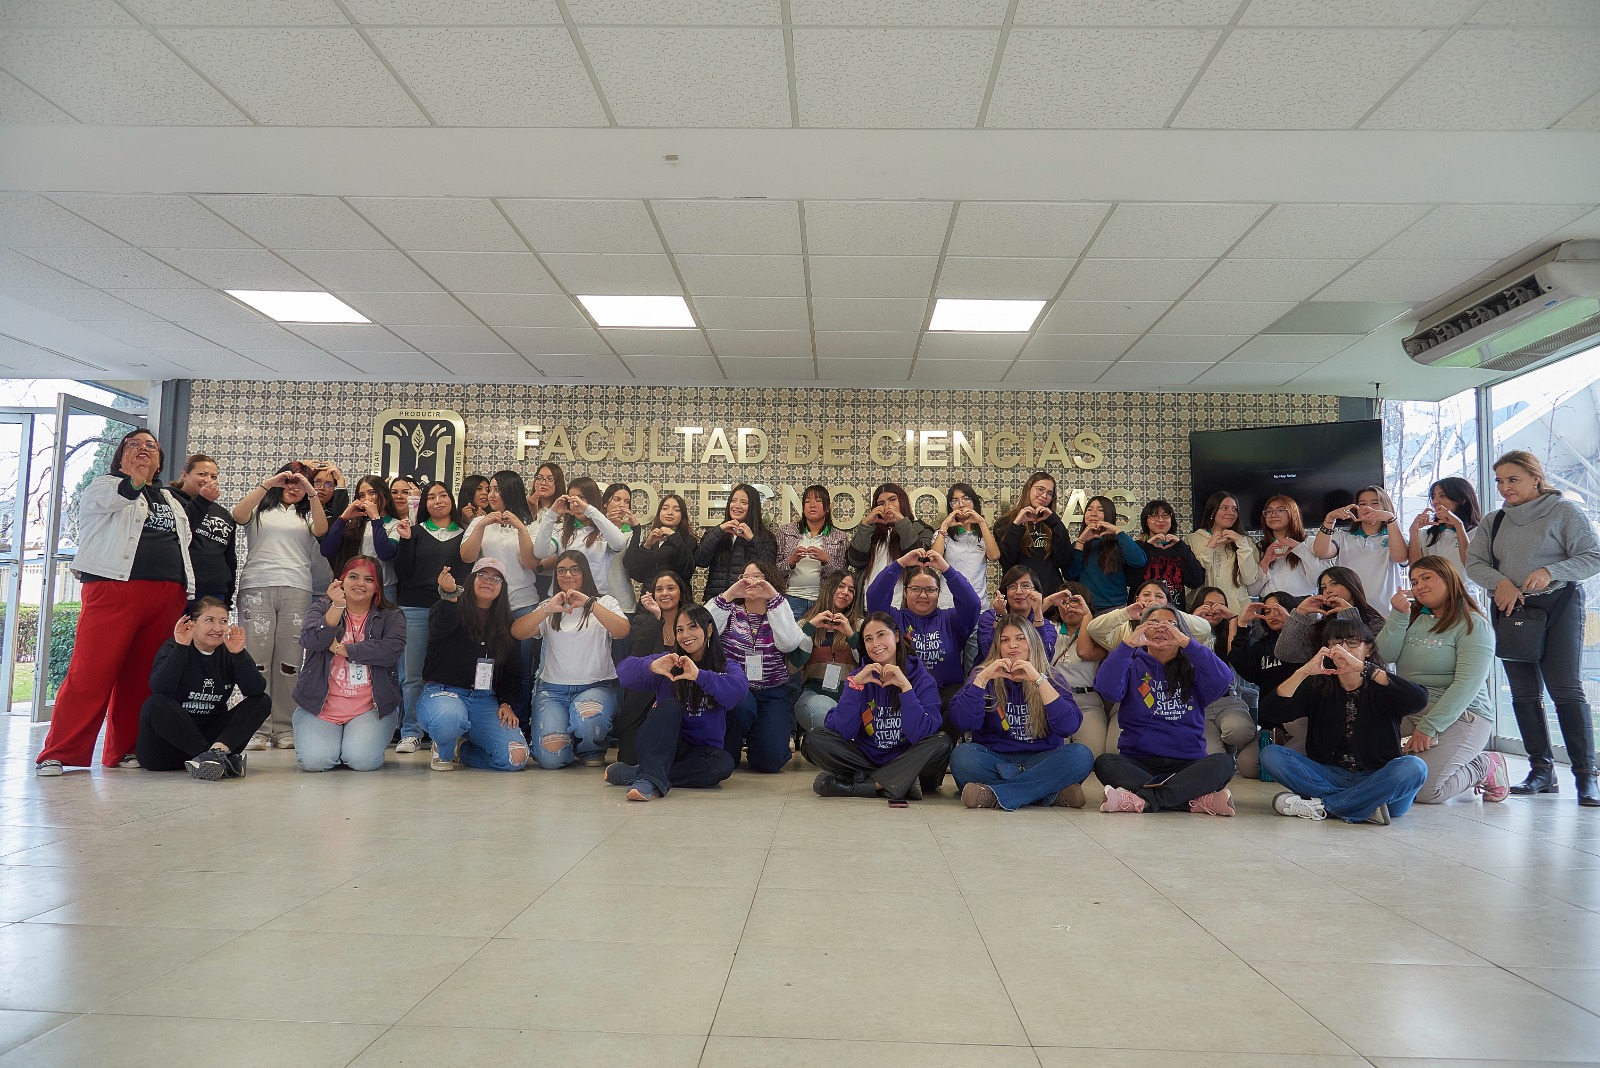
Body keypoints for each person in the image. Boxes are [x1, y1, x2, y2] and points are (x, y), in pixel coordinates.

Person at [35, 429, 195, 777]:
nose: (143, 449)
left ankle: (126, 749)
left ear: (160, 459)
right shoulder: (104, 486)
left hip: (167, 595)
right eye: (134, 444)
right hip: (114, 589)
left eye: (150, 446)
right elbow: (118, 498)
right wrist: (135, 481)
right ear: (121, 454)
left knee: (142, 677)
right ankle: (59, 752)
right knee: (90, 673)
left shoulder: (170, 499)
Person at [1467, 450, 1600, 804]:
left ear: (1536, 478)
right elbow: (1474, 564)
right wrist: (1501, 583)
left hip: (1559, 606)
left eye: (1513, 479)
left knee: (1566, 690)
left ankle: (1586, 776)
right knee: (1524, 693)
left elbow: (1593, 556)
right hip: (1511, 607)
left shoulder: (1564, 511)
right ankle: (1541, 771)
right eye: (1499, 481)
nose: (1504, 487)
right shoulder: (1494, 520)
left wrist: (1551, 571)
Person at [1259, 618, 1431, 824]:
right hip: (1331, 775)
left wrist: (1368, 669)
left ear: (1368, 649)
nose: (1344, 649)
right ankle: (1362, 806)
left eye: (1352, 642)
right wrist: (1302, 672)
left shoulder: (1381, 683)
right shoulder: (1319, 685)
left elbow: (1419, 699)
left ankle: (1326, 806)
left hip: (1379, 779)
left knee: (1415, 767)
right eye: (1336, 643)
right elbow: (1271, 712)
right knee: (1271, 755)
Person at [1377, 556, 1506, 804]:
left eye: (1426, 578)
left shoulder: (1474, 624)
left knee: (1424, 791)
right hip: (1410, 709)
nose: (1419, 586)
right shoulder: (1413, 617)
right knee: (1369, 765)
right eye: (1414, 582)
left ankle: (1486, 765)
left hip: (1462, 715)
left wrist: (1429, 727)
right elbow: (1385, 655)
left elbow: (1466, 685)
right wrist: (1398, 615)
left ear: (1449, 579)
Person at [1092, 606, 1237, 815]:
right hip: (1138, 761)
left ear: (1181, 632)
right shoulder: (1131, 664)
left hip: (1188, 762)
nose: (1162, 628)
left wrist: (1188, 644)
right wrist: (1127, 645)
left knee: (1224, 763)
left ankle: (1145, 800)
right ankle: (1189, 800)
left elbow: (1223, 679)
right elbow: (1107, 689)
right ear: (1142, 629)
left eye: (1170, 624)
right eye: (1153, 623)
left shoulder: (1194, 667)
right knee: (1105, 763)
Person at [802, 611, 950, 805]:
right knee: (813, 738)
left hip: (909, 760)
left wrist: (906, 689)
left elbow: (920, 735)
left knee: (942, 743)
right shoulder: (858, 677)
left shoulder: (922, 679)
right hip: (869, 760)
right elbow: (842, 732)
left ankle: (864, 786)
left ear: (896, 636)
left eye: (882, 635)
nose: (876, 644)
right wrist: (854, 688)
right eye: (868, 639)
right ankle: (892, 784)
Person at [231, 460, 327, 752]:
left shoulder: (307, 514)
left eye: (300, 483)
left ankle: (285, 727)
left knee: (289, 663)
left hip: (297, 588)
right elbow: (237, 514)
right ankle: (257, 729)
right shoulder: (260, 510)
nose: (293, 488)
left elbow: (322, 529)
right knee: (257, 661)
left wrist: (311, 490)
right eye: (290, 482)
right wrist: (270, 483)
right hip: (256, 587)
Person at [949, 615, 1093, 810]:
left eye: (1020, 638)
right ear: (998, 647)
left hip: (1042, 758)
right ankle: (1050, 793)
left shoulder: (1052, 677)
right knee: (963, 757)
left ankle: (994, 794)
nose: (1012, 645)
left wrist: (1039, 680)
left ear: (1032, 643)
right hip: (995, 757)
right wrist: (982, 679)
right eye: (1005, 640)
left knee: (1081, 756)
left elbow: (1068, 727)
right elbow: (963, 722)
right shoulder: (983, 675)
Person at [609, 604, 748, 801]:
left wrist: (699, 676)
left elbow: (739, 691)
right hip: (661, 745)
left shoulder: (724, 666)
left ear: (708, 629)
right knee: (669, 705)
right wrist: (650, 666)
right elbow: (623, 673)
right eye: (680, 630)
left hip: (699, 752)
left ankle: (644, 772)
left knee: (723, 764)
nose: (685, 635)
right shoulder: (669, 662)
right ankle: (648, 778)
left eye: (692, 627)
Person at [291, 556, 405, 773]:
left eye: (369, 579)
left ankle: (351, 742)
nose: (360, 584)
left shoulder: (391, 616)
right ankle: (333, 741)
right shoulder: (321, 607)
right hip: (321, 708)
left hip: (370, 708)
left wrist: (345, 650)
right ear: (341, 580)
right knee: (316, 762)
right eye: (353, 577)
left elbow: (391, 650)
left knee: (361, 761)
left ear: (377, 587)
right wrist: (337, 606)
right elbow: (310, 641)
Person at [518, 550, 630, 769]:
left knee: (588, 720)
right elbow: (518, 632)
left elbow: (622, 630)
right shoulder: (550, 605)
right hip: (552, 692)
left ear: (584, 572)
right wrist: (547, 609)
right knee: (551, 759)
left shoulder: (605, 602)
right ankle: (566, 741)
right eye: (561, 570)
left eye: (574, 569)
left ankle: (590, 748)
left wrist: (589, 603)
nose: (567, 575)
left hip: (596, 687)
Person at [135, 598, 267, 780]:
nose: (217, 628)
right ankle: (212, 758)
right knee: (154, 703)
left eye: (223, 621)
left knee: (263, 701)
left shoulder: (229, 651)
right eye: (209, 620)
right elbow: (160, 688)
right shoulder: (174, 646)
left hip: (213, 738)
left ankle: (214, 754)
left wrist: (239, 654)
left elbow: (255, 690)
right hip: (167, 749)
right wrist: (181, 648)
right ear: (192, 624)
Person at [415, 558, 528, 772]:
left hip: (484, 700)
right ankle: (444, 748)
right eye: (482, 575)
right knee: (449, 720)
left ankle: (463, 750)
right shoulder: (450, 607)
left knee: (516, 757)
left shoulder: (507, 623)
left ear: (502, 587)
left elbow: (513, 672)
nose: (488, 581)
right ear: (471, 579)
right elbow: (439, 627)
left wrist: (506, 702)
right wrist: (449, 596)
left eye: (496, 578)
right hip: (444, 693)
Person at [392, 480, 468, 753]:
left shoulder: (466, 535)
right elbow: (402, 571)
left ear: (451, 500)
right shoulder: (414, 532)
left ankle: (442, 732)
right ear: (424, 504)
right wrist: (404, 540)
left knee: (449, 672)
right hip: (415, 609)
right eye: (432, 497)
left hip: (452, 610)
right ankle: (411, 732)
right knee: (412, 675)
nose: (438, 501)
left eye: (443, 495)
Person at [710, 561, 806, 772]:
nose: (750, 581)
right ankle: (731, 747)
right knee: (742, 707)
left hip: (772, 692)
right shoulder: (729, 611)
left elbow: (790, 643)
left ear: (769, 581)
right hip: (736, 690)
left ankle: (758, 740)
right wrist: (729, 594)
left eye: (757, 576)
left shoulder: (779, 611)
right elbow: (703, 628)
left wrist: (773, 597)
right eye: (745, 576)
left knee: (771, 761)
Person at [460, 470, 540, 720]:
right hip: (489, 606)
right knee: (485, 662)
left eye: (496, 489)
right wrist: (482, 524)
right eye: (489, 489)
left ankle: (521, 721)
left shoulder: (531, 525)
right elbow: (467, 556)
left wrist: (520, 528)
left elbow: (531, 562)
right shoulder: (480, 522)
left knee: (522, 668)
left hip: (523, 604)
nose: (490, 495)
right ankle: (485, 717)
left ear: (511, 491)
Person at [614, 569, 690, 763]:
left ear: (681, 593)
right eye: (659, 589)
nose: (664, 593)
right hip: (642, 697)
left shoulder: (691, 623)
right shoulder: (642, 621)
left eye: (670, 588)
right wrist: (656, 618)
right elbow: (636, 657)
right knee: (629, 759)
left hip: (678, 696)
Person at [532, 477, 632, 607]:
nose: (576, 504)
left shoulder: (604, 530)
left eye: (581, 498)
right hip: (562, 600)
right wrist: (551, 515)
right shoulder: (561, 530)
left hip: (594, 601)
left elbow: (619, 544)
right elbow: (540, 552)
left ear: (593, 499)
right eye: (571, 499)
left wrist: (590, 510)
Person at [1311, 485, 1409, 607]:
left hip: (1385, 611)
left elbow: (1401, 558)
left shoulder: (1395, 537)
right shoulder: (1343, 537)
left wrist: (1391, 519)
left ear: (1386, 506)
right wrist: (1330, 519)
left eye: (1375, 503)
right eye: (1362, 504)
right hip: (1346, 609)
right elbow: (1320, 552)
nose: (1368, 507)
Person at [790, 572, 862, 732]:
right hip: (813, 697)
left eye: (851, 590)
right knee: (823, 711)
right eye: (840, 586)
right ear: (828, 588)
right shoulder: (805, 624)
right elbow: (792, 667)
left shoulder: (860, 626)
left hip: (851, 698)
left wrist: (851, 635)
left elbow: (868, 662)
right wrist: (810, 629)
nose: (845, 592)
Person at [1273, 566, 1387, 664]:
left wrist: (1349, 614)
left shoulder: (1375, 622)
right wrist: (1299, 613)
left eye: (1334, 583)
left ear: (1351, 585)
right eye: (1324, 587)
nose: (1328, 590)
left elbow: (1376, 657)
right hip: (1326, 681)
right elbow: (1285, 653)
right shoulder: (1320, 627)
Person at [1046, 583, 1111, 756]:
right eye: (1063, 602)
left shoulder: (1098, 634)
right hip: (1056, 700)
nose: (1068, 607)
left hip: (1088, 702)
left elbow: (1084, 652)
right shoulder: (1050, 629)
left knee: (1093, 756)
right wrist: (1050, 600)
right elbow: (1026, 622)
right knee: (1053, 756)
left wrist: (1087, 615)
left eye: (1074, 601)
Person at [320, 474, 404, 607]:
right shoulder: (353, 523)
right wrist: (343, 519)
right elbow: (326, 550)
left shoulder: (396, 524)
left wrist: (376, 519)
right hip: (353, 588)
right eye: (362, 495)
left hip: (384, 588)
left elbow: (385, 553)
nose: (367, 499)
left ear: (384, 494)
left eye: (372, 493)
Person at [169, 453, 238, 609]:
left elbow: (230, 558)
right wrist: (202, 502)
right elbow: (179, 532)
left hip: (215, 593)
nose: (208, 480)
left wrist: (228, 597)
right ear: (184, 475)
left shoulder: (223, 514)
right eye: (202, 474)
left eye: (213, 476)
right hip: (179, 588)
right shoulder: (168, 499)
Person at [846, 482, 933, 601]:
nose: (887, 506)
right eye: (881, 503)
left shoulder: (921, 529)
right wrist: (866, 525)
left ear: (902, 501)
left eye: (892, 500)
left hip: (903, 604)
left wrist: (901, 521)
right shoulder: (871, 532)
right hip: (868, 603)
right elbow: (855, 561)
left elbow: (921, 560)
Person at [695, 482, 778, 603]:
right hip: (716, 601)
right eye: (733, 501)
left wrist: (752, 539)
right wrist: (719, 531)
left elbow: (769, 570)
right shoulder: (718, 532)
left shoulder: (764, 537)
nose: (737, 506)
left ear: (753, 507)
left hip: (747, 603)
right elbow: (700, 560)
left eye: (744, 502)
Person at [774, 484, 848, 617]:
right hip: (790, 597)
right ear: (803, 507)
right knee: (789, 631)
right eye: (807, 501)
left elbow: (843, 577)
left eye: (818, 501)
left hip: (823, 600)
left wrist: (827, 560)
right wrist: (791, 561)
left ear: (827, 507)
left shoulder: (840, 537)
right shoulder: (785, 532)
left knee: (819, 632)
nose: (812, 505)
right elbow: (773, 571)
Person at [996, 471, 1073, 596]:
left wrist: (1055, 523)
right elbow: (1007, 562)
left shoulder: (1053, 523)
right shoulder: (1005, 523)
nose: (1044, 496)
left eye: (1050, 493)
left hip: (1049, 594)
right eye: (1040, 489)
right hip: (1019, 595)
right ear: (1028, 489)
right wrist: (1017, 525)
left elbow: (1063, 560)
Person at [1184, 490, 1261, 613]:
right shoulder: (1192, 539)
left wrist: (1241, 544)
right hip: (1202, 610)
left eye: (1234, 509)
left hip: (1236, 612)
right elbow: (1194, 578)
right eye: (1224, 508)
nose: (1230, 513)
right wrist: (1209, 548)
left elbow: (1249, 579)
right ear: (1212, 511)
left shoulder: (1246, 541)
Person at [1068, 495, 1146, 614]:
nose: (1093, 514)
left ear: (1109, 515)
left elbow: (1138, 561)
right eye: (1089, 509)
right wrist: (1081, 542)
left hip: (1114, 609)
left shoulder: (1119, 543)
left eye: (1100, 510)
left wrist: (1117, 531)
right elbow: (1071, 575)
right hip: (1085, 609)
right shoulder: (1078, 544)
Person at [931, 482, 1000, 610]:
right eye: (955, 501)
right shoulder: (943, 534)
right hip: (949, 605)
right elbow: (933, 558)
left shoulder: (984, 534)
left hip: (979, 605)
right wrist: (944, 526)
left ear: (974, 502)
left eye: (966, 499)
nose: (961, 504)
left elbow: (994, 556)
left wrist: (981, 522)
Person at [976, 565, 1057, 661]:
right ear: (1005, 592)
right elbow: (988, 653)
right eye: (1012, 586)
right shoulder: (990, 617)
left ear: (1036, 591)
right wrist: (1000, 618)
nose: (1018, 591)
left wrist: (1038, 613)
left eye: (1025, 586)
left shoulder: (1046, 625)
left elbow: (1046, 657)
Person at [623, 492, 697, 594]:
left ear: (682, 515)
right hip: (649, 598)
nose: (670, 513)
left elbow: (687, 571)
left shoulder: (689, 540)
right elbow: (636, 574)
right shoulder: (652, 538)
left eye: (676, 510)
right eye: (665, 508)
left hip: (676, 599)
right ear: (659, 513)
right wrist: (646, 546)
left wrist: (674, 537)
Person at [1135, 498, 1204, 607]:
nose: (1160, 520)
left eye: (1165, 515)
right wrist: (1148, 547)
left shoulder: (1180, 548)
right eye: (1154, 516)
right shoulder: (1138, 547)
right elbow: (1131, 580)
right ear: (1146, 521)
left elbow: (1196, 581)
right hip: (1142, 610)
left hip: (1174, 611)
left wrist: (1181, 547)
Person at [1249, 494, 1319, 599]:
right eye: (1269, 511)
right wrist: (1265, 561)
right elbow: (1252, 591)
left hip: (1304, 603)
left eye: (1280, 510)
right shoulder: (1259, 547)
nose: (1273, 515)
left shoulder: (1310, 542)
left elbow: (1318, 581)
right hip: (1270, 604)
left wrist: (1300, 549)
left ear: (1293, 513)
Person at [1409, 476, 1480, 569]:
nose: (1435, 501)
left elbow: (1471, 566)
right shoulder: (1425, 535)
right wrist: (1413, 531)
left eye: (1442, 496)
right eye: (1433, 496)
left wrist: (1458, 525)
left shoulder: (1477, 533)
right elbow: (1416, 569)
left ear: (1462, 499)